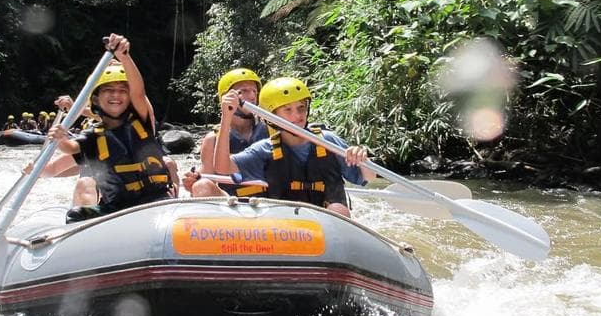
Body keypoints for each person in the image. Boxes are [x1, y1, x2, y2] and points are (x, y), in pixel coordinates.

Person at [47, 33, 174, 222]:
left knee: (170, 164)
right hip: (116, 209)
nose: (116, 95)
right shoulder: (93, 135)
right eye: (109, 90)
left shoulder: (141, 120)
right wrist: (59, 138)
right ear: (96, 99)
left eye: (122, 91)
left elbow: (139, 91)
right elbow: (69, 148)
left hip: (155, 201)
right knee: (76, 215)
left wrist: (124, 56)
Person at [213, 76, 376, 217]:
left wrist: (362, 160)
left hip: (328, 224)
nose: (297, 116)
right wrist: (226, 117)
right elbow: (223, 167)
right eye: (288, 110)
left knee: (338, 209)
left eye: (301, 108)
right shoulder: (265, 149)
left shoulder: (328, 141)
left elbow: (368, 178)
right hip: (286, 228)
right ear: (272, 117)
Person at [187, 68, 269, 198]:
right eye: (243, 91)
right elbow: (207, 178)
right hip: (230, 202)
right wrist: (192, 182)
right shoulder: (213, 139)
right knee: (201, 186)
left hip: (270, 200)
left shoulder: (270, 130)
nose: (252, 96)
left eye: (254, 91)